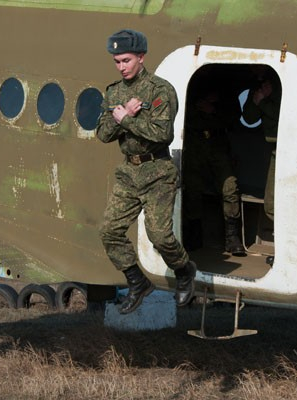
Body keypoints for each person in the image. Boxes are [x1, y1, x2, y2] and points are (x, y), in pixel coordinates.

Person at [96, 29, 197, 314]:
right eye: (117, 62)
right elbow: (103, 133)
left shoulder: (160, 90)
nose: (121, 67)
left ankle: (184, 270)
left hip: (158, 172)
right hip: (129, 172)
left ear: (141, 57)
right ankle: (137, 282)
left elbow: (162, 134)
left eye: (126, 60)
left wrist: (126, 119)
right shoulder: (114, 92)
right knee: (109, 231)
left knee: (160, 236)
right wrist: (122, 116)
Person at [183, 88, 246, 256]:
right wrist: (197, 107)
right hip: (194, 144)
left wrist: (213, 110)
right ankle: (194, 235)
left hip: (218, 144)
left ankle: (232, 237)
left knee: (230, 188)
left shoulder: (225, 89)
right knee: (192, 189)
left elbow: (234, 119)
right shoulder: (192, 88)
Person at [242, 65, 281, 222]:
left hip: (285, 144)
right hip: (272, 146)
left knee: (274, 200)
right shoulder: (258, 86)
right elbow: (250, 118)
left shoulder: (279, 83)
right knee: (271, 198)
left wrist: (263, 101)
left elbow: (284, 115)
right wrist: (257, 100)